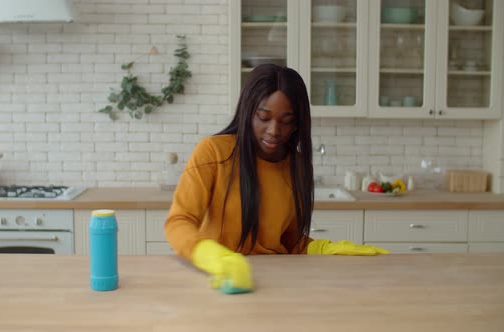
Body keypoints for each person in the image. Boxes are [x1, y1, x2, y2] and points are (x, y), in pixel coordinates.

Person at [164, 64, 388, 294]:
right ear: (247, 112)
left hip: (279, 284)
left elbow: (289, 242)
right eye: (263, 117)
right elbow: (179, 222)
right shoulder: (213, 153)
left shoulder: (297, 165)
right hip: (221, 281)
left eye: (286, 121)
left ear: (297, 123)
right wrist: (212, 256)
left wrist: (323, 248)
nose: (274, 130)